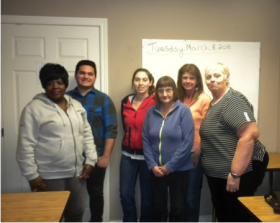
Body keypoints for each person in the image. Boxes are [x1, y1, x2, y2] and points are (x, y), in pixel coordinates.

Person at [16, 63, 97, 223]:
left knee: (76, 214)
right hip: (49, 176)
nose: (55, 87)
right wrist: (32, 175)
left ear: (65, 84)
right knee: (49, 217)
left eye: (59, 82)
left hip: (76, 174)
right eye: (49, 83)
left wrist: (90, 161)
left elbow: (87, 135)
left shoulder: (77, 106)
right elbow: (25, 144)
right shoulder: (33, 109)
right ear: (44, 86)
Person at [200, 62, 269, 223]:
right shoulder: (216, 101)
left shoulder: (233, 100)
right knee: (225, 213)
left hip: (238, 172)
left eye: (217, 76)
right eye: (208, 77)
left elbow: (250, 134)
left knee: (235, 215)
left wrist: (236, 174)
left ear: (227, 78)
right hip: (219, 173)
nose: (212, 80)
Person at [67, 60, 118, 223]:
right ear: (76, 75)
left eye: (90, 74)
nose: (86, 76)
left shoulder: (103, 99)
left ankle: (96, 221)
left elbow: (111, 129)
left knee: (96, 193)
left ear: (95, 77)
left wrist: (106, 156)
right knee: (70, 196)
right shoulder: (65, 98)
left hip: (95, 157)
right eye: (82, 73)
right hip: (69, 157)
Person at [142, 76, 194, 223]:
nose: (164, 94)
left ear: (174, 91)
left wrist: (170, 166)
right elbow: (145, 139)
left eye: (168, 90)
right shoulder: (151, 112)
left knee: (177, 207)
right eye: (161, 90)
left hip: (179, 169)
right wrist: (152, 166)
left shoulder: (183, 111)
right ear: (156, 93)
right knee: (158, 206)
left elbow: (187, 141)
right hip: (157, 170)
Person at [120, 68, 156, 223]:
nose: (140, 83)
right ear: (133, 82)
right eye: (137, 79)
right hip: (128, 156)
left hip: (148, 157)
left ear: (150, 83)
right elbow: (125, 126)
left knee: (148, 197)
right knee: (125, 194)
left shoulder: (157, 101)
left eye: (144, 79)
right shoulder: (125, 101)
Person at [176, 64, 211, 223]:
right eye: (185, 77)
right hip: (176, 156)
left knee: (191, 197)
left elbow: (208, 129)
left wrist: (198, 152)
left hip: (194, 156)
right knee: (178, 198)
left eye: (192, 78)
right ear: (180, 79)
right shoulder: (175, 98)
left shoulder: (204, 99)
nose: (188, 81)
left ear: (197, 81)